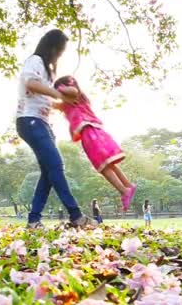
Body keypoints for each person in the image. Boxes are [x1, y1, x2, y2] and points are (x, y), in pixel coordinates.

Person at [15, 29, 96, 229]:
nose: (60, 55)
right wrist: (57, 94)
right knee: (56, 166)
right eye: (60, 50)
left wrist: (67, 104)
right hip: (29, 120)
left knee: (48, 172)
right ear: (51, 47)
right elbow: (30, 84)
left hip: (41, 122)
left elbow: (45, 99)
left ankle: (34, 220)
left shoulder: (47, 71)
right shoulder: (34, 61)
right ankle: (76, 215)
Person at [53, 75, 136, 211]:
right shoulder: (68, 103)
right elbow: (53, 105)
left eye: (60, 91)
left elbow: (72, 91)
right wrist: (38, 95)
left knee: (102, 166)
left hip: (90, 132)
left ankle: (123, 190)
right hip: (94, 132)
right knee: (108, 163)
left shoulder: (76, 97)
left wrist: (58, 88)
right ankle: (128, 185)